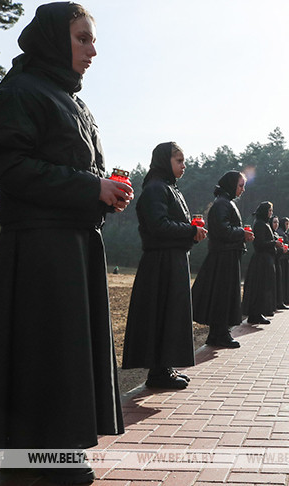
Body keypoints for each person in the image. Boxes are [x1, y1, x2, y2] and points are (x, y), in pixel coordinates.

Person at [0, 4, 132, 483]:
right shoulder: (20, 91)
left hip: (73, 245)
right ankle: (36, 460)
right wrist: (89, 187)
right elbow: (10, 168)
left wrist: (104, 190)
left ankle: (58, 448)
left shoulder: (70, 98)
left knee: (62, 353)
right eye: (82, 39)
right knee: (40, 352)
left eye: (93, 41)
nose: (92, 50)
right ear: (55, 39)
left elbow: (70, 168)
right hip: (40, 249)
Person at [122, 142, 207, 390]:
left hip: (172, 260)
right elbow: (158, 225)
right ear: (163, 161)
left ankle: (163, 368)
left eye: (184, 161)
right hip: (160, 263)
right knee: (161, 315)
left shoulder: (170, 188)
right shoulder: (155, 188)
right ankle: (158, 373)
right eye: (179, 160)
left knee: (170, 316)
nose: (184, 165)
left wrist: (192, 233)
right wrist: (191, 231)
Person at [191, 171, 254, 348]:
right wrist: (243, 233)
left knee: (224, 296)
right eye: (240, 185)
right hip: (223, 257)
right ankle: (220, 334)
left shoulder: (225, 203)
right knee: (222, 296)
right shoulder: (222, 204)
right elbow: (221, 230)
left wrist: (242, 235)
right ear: (231, 184)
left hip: (227, 256)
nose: (242, 190)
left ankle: (218, 333)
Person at [242, 201, 280, 324]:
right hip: (261, 260)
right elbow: (259, 244)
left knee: (264, 287)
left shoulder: (264, 223)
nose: (271, 213)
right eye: (269, 210)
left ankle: (259, 312)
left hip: (266, 260)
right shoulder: (259, 224)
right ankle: (255, 313)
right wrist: (275, 243)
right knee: (259, 287)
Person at [271, 215, 289, 311]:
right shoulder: (278, 233)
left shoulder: (278, 233)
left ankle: (279, 301)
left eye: (277, 222)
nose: (276, 224)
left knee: (280, 282)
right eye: (274, 222)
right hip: (277, 260)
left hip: (279, 259)